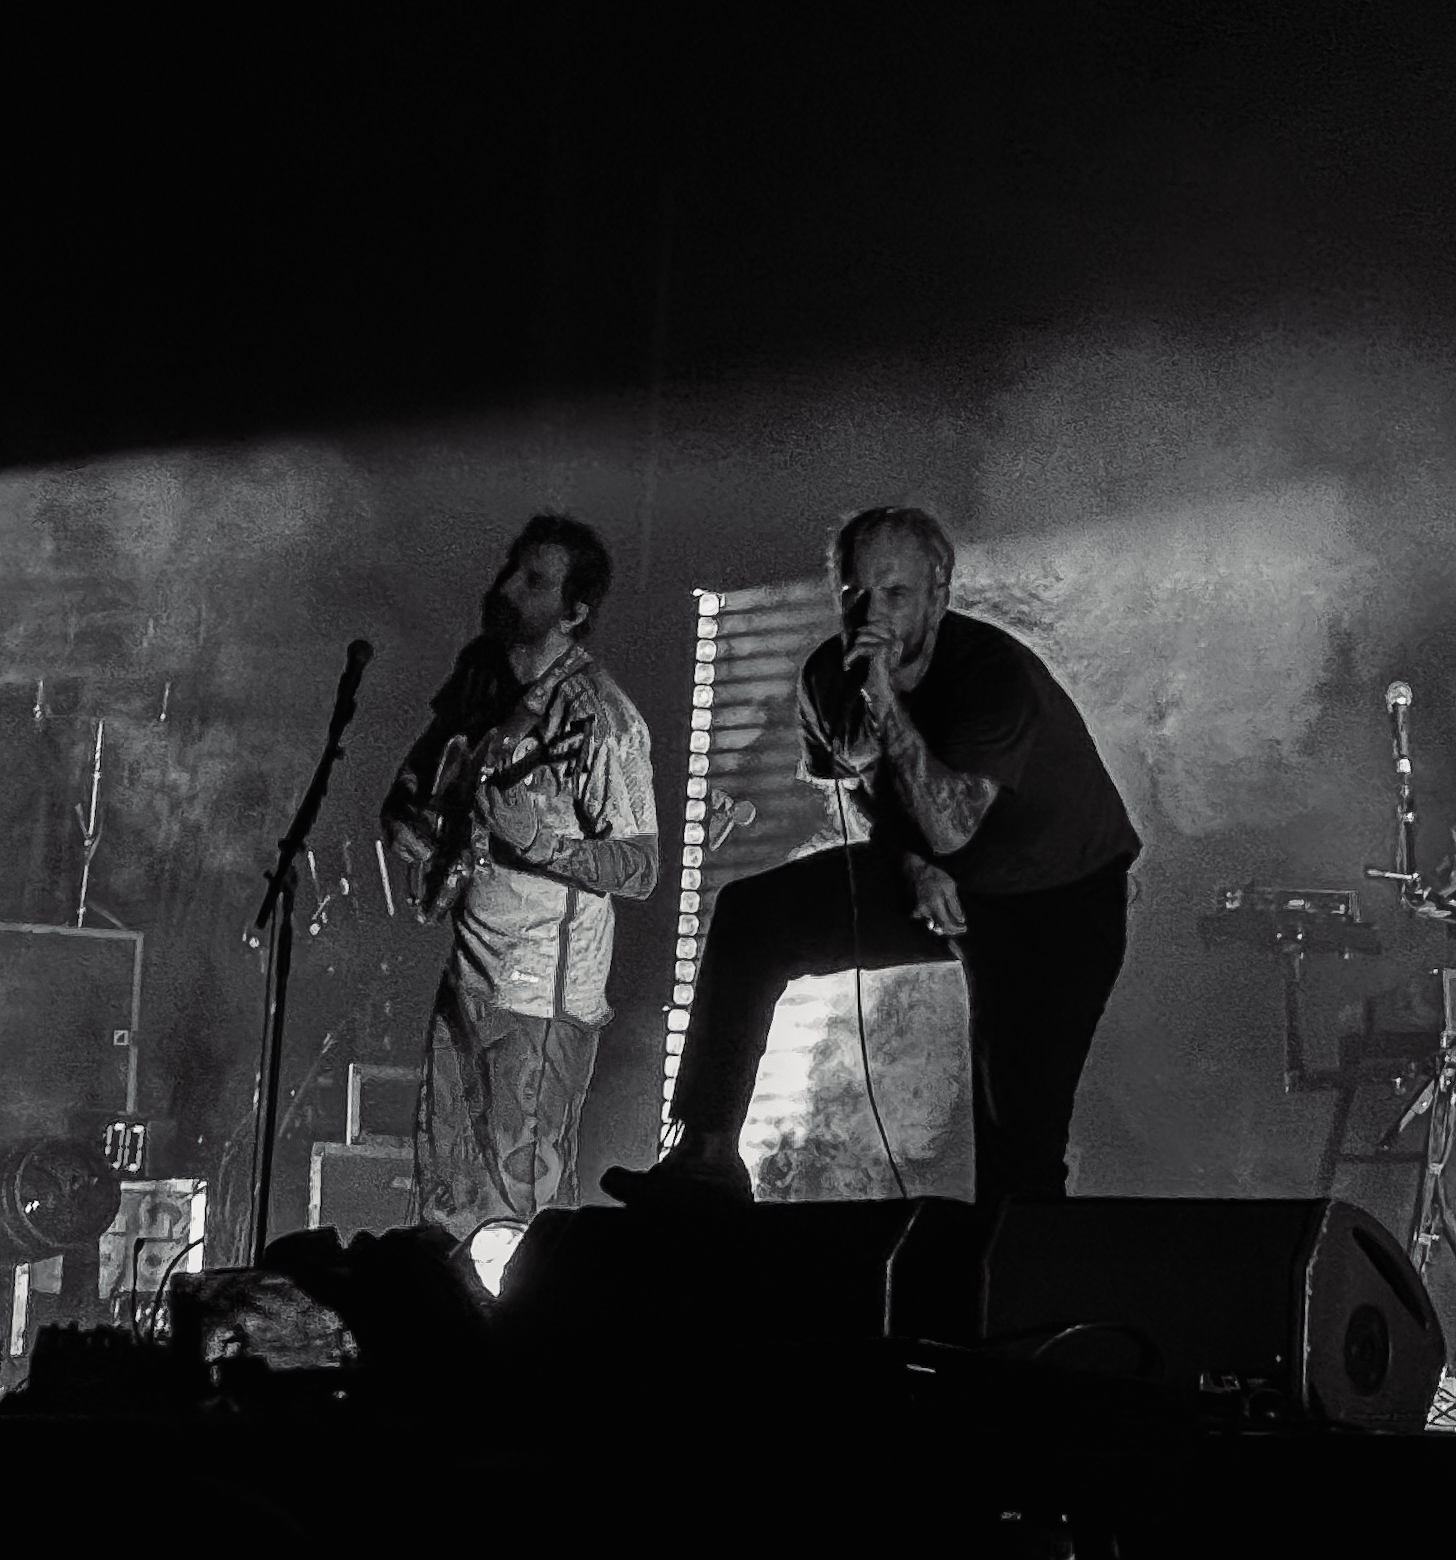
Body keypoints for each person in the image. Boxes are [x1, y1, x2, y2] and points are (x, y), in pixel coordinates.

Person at [603, 505, 1140, 1209]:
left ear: (938, 594)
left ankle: (1018, 1283)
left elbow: (953, 828)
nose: (870, 613)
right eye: (855, 593)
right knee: (754, 917)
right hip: (943, 874)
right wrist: (910, 863)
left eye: (895, 594)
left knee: (1020, 1144)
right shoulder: (827, 676)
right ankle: (703, 1156)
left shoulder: (992, 674)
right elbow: (860, 789)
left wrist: (884, 696)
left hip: (1055, 902)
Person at [382, 514, 658, 1240]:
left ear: (575, 612)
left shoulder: (600, 718)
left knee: (518, 1203)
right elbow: (422, 768)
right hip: (469, 973)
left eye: (534, 581)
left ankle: (522, 1344)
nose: (506, 587)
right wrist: (410, 817)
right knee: (444, 1191)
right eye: (511, 568)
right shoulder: (480, 671)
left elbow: (640, 866)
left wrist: (536, 841)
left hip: (541, 992)